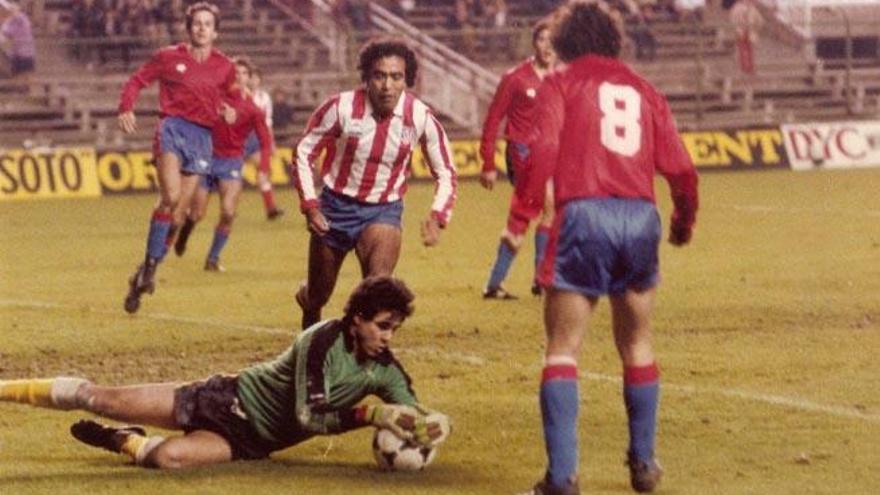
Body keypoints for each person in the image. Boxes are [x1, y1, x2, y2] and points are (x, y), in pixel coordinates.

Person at [514, 3, 699, 494]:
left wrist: (523, 213)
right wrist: (683, 221)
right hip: (639, 218)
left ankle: (563, 478)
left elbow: (544, 151)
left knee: (563, 348)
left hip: (584, 216)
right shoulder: (645, 90)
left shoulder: (560, 84)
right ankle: (643, 464)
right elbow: (681, 169)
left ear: (568, 41)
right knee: (637, 341)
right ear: (615, 41)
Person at [0, 276, 451, 469]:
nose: (389, 336)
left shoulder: (385, 370)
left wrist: (432, 425)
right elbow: (307, 418)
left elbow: (411, 410)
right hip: (224, 399)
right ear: (358, 320)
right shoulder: (321, 341)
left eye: (395, 328)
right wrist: (370, 417)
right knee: (98, 396)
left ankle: (121, 437)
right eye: (383, 326)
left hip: (251, 441)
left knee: (168, 460)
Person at [291, 37, 457, 330]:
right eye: (380, 76)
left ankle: (359, 348)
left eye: (396, 77)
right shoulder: (340, 107)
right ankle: (308, 310)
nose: (387, 85)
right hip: (335, 208)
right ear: (367, 78)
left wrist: (438, 215)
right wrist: (311, 206)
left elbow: (446, 171)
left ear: (407, 81)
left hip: (383, 210)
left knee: (378, 289)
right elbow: (303, 152)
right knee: (319, 295)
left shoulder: (419, 116)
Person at [118, 2, 236, 314]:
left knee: (179, 216)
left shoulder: (225, 66)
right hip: (172, 129)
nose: (201, 28)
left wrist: (228, 109)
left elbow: (229, 96)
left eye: (207, 23)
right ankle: (150, 266)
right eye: (196, 23)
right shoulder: (168, 57)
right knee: (169, 197)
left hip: (201, 138)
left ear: (215, 31)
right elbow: (137, 80)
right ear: (189, 27)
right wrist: (126, 107)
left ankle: (145, 271)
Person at [171, 55, 273, 272]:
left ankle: (213, 259)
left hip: (231, 162)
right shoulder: (214, 96)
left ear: (249, 78)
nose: (238, 76)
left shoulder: (254, 109)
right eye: (235, 71)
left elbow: (265, 140)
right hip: (205, 159)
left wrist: (263, 168)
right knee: (197, 213)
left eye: (244, 73)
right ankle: (185, 233)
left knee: (228, 212)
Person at [479, 19, 557, 300]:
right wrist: (488, 163)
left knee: (549, 211)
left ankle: (529, 280)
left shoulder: (559, 79)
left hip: (549, 155)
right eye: (542, 40)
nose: (548, 46)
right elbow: (493, 120)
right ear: (534, 43)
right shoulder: (516, 78)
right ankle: (535, 279)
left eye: (553, 41)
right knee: (537, 210)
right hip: (522, 153)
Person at [243, 65, 285, 220]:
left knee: (263, 174)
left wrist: (271, 142)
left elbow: (268, 122)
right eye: (250, 77)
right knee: (227, 176)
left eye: (255, 77)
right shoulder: (239, 94)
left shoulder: (264, 98)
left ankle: (271, 208)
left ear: (259, 80)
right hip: (239, 138)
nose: (253, 80)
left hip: (256, 139)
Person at [0, 0, 35, 78]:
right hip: (16, 56)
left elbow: (17, 15)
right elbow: (3, 37)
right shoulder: (9, 23)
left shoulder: (23, 19)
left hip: (25, 57)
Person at [730, 0, 763, 75]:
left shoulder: (751, 9)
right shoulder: (738, 8)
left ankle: (749, 67)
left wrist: (755, 28)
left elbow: (760, 21)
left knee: (749, 50)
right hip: (742, 31)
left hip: (748, 31)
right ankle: (746, 68)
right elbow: (733, 20)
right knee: (744, 50)